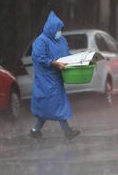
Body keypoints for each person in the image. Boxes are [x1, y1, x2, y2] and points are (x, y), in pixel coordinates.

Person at [28, 11, 80, 141]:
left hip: (56, 78)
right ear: (51, 28)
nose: (59, 32)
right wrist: (54, 63)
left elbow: (66, 53)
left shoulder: (61, 40)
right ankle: (67, 131)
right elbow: (40, 58)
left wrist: (75, 61)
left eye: (60, 29)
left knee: (49, 106)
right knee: (55, 105)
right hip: (45, 79)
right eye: (57, 29)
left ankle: (35, 130)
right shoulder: (41, 41)